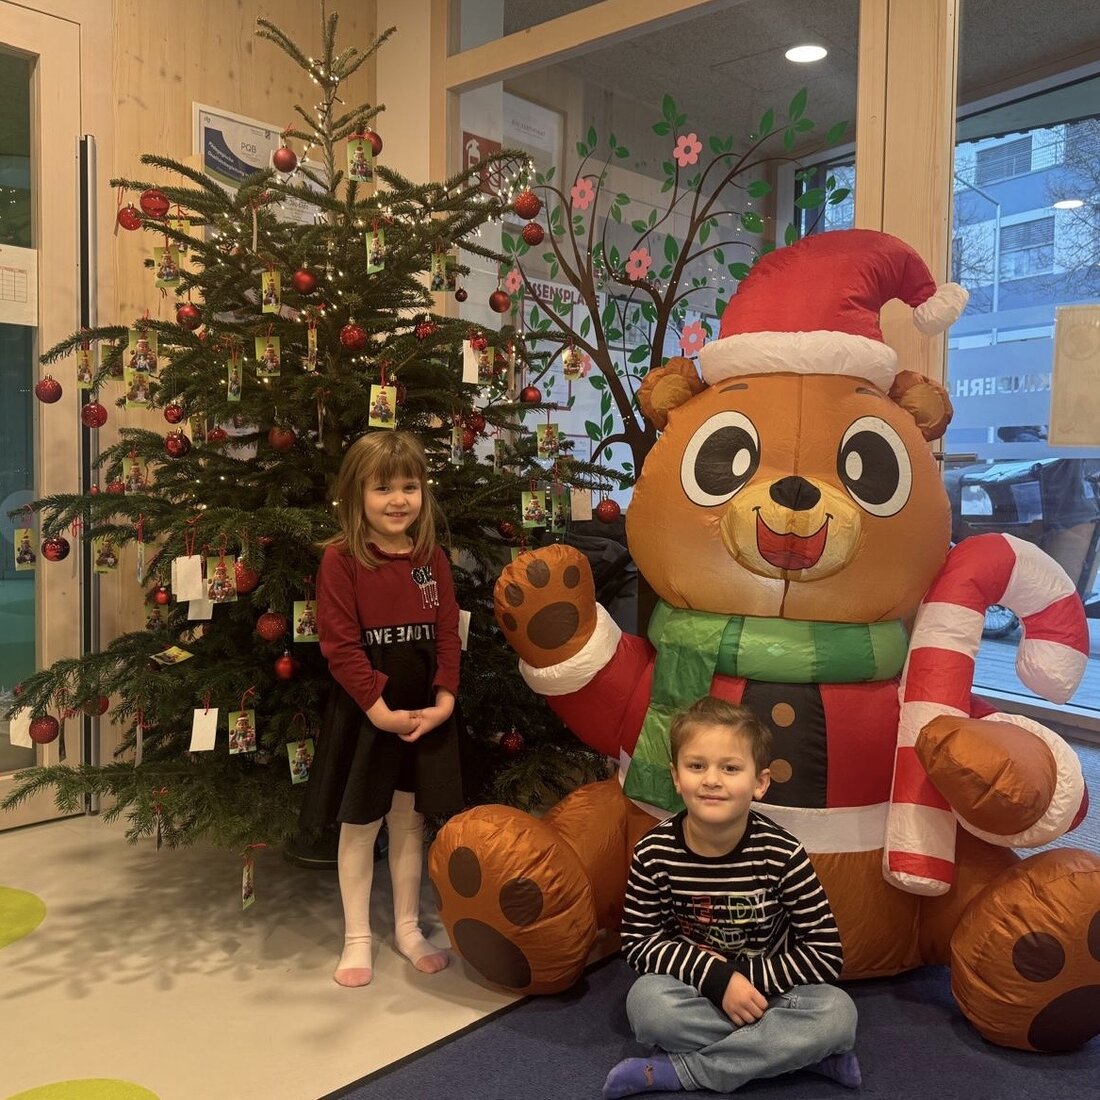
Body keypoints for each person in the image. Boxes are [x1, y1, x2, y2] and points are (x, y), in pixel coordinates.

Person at [603, 697, 861, 1098]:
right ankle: (800, 1054)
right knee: (647, 1007)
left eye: (730, 767)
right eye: (696, 765)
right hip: (696, 989)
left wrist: (742, 979)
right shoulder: (653, 852)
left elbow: (826, 955)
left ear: (759, 782)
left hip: (773, 993)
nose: (711, 779)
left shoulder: (783, 853)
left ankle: (684, 1071)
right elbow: (639, 943)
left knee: (838, 1014)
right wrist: (717, 979)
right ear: (676, 777)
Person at [299, 430, 462, 988]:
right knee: (362, 823)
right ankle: (357, 937)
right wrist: (379, 710)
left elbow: (446, 637)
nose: (398, 499)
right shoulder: (341, 561)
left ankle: (409, 928)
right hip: (369, 717)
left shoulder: (431, 558)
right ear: (355, 494)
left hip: (425, 713)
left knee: (409, 822)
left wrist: (443, 702)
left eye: (410, 487)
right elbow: (339, 646)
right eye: (383, 488)